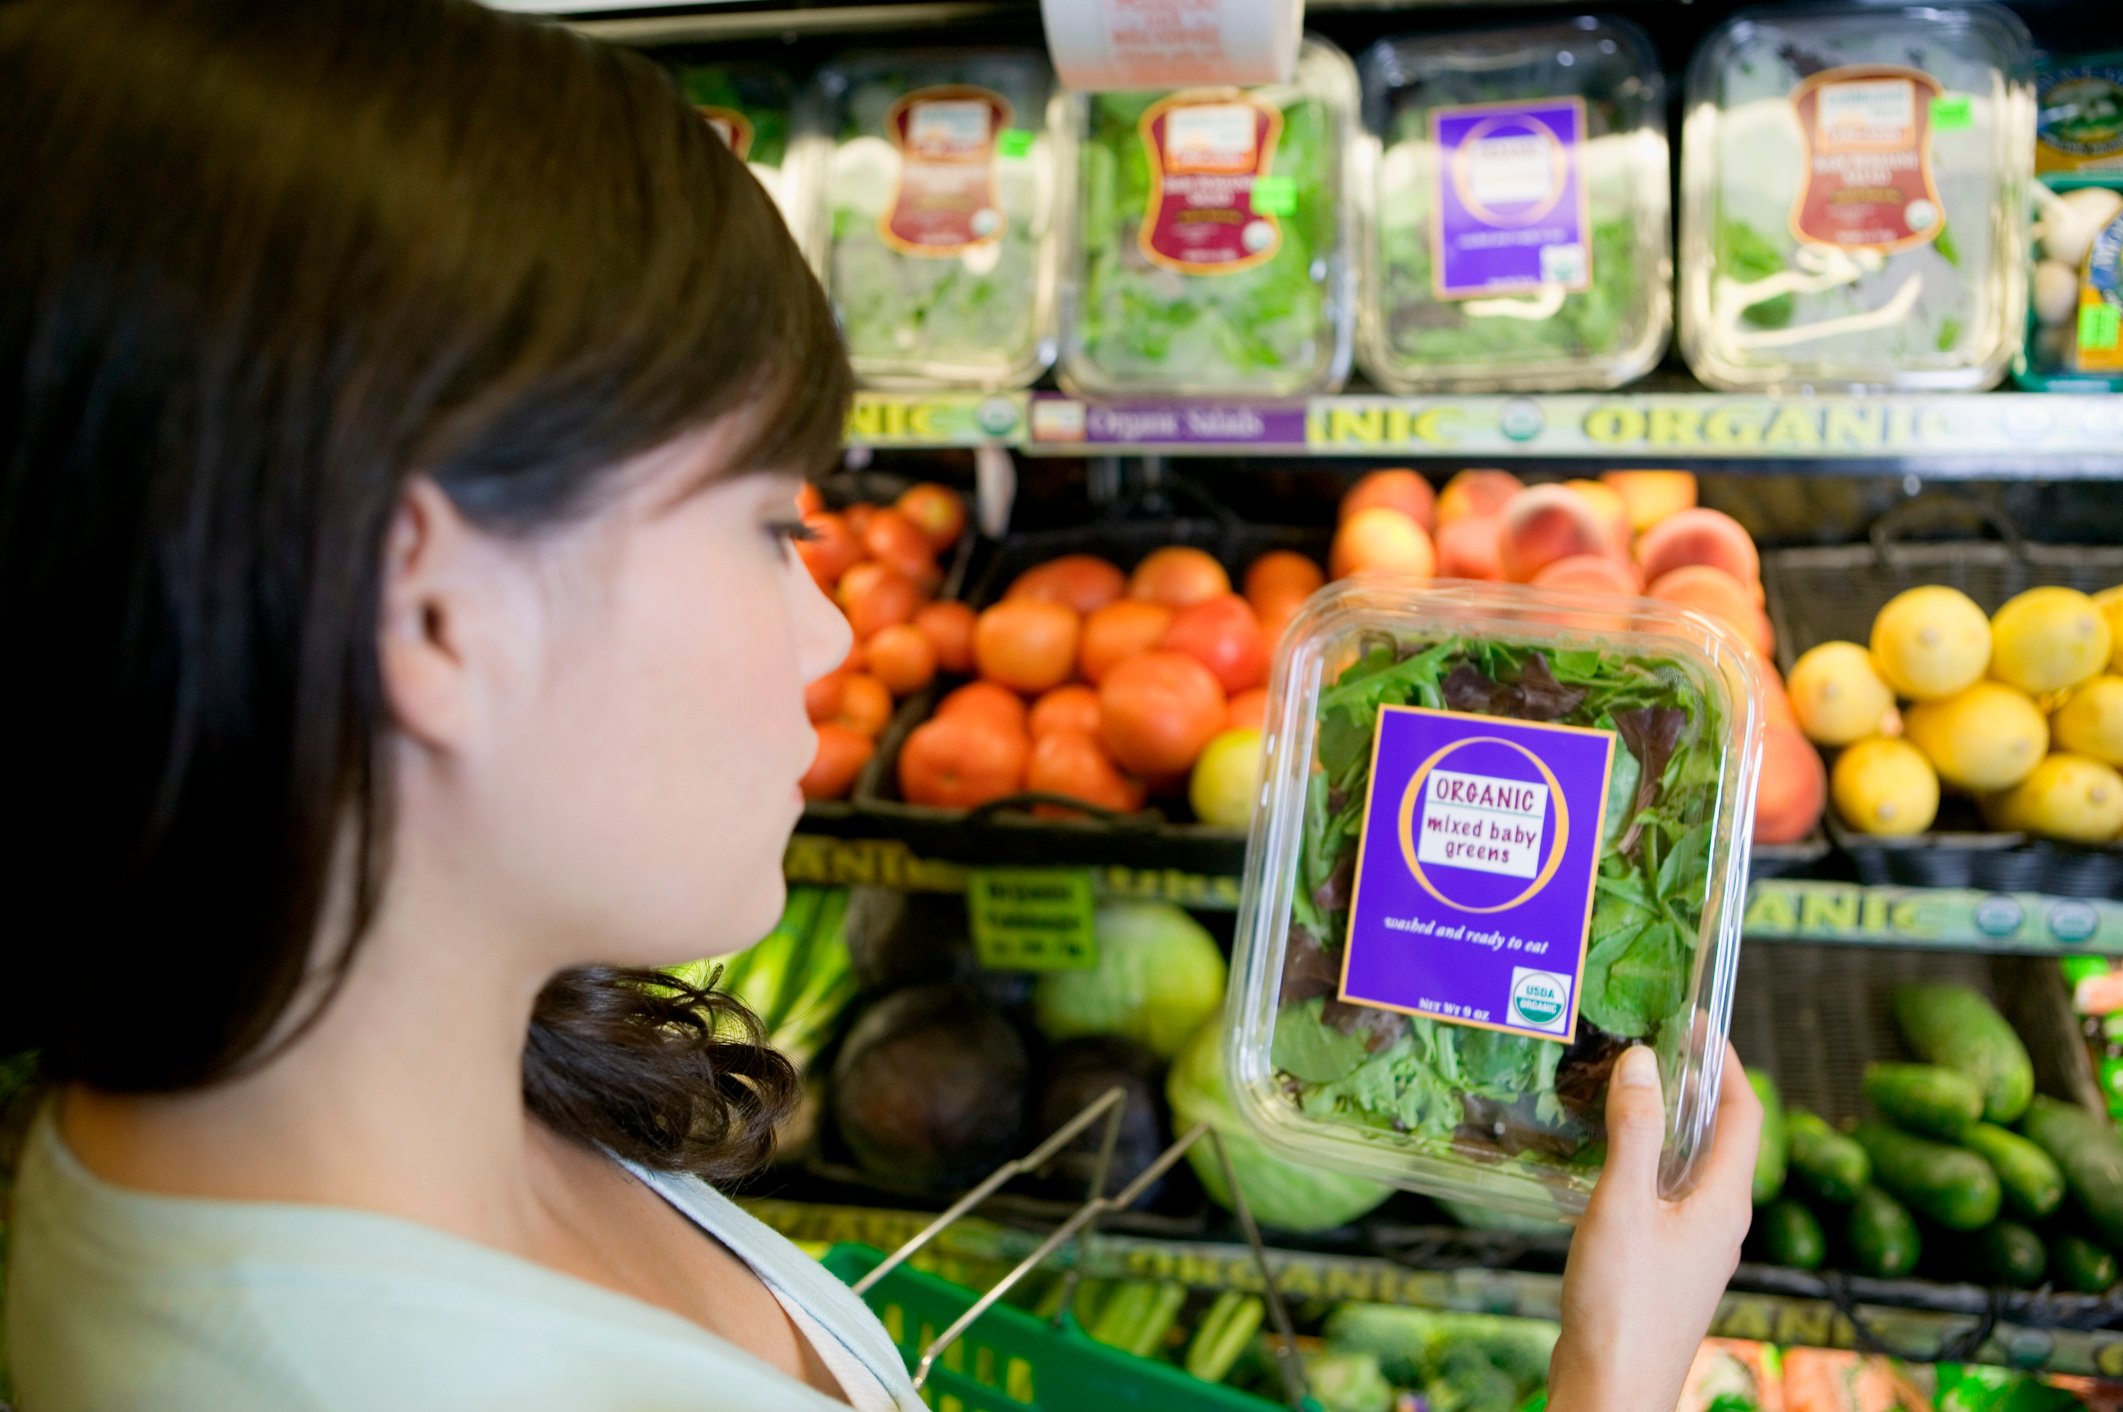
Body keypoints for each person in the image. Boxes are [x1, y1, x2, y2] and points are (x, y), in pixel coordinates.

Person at [0, 1, 1760, 1408]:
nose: (833, 638)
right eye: (772, 526)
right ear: (436, 607)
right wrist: (1613, 1377)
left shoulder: (346, 1100)